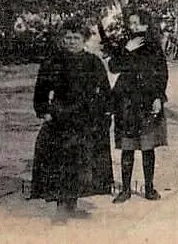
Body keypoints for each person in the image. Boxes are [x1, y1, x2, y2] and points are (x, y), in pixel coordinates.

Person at [30, 18, 114, 219]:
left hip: (86, 119)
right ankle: (61, 209)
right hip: (61, 118)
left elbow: (104, 91)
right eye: (67, 38)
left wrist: (106, 112)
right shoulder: (53, 61)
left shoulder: (93, 62)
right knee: (61, 163)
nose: (71, 41)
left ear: (84, 39)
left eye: (75, 38)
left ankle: (73, 205)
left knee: (82, 163)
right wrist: (45, 111)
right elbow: (41, 90)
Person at [109, 9, 168, 202]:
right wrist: (127, 50)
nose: (133, 27)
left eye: (137, 23)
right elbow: (113, 66)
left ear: (145, 25)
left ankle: (149, 188)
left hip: (147, 100)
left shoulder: (153, 46)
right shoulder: (124, 44)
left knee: (147, 147)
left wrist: (158, 97)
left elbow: (162, 73)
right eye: (131, 23)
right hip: (126, 102)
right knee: (127, 147)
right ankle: (125, 190)